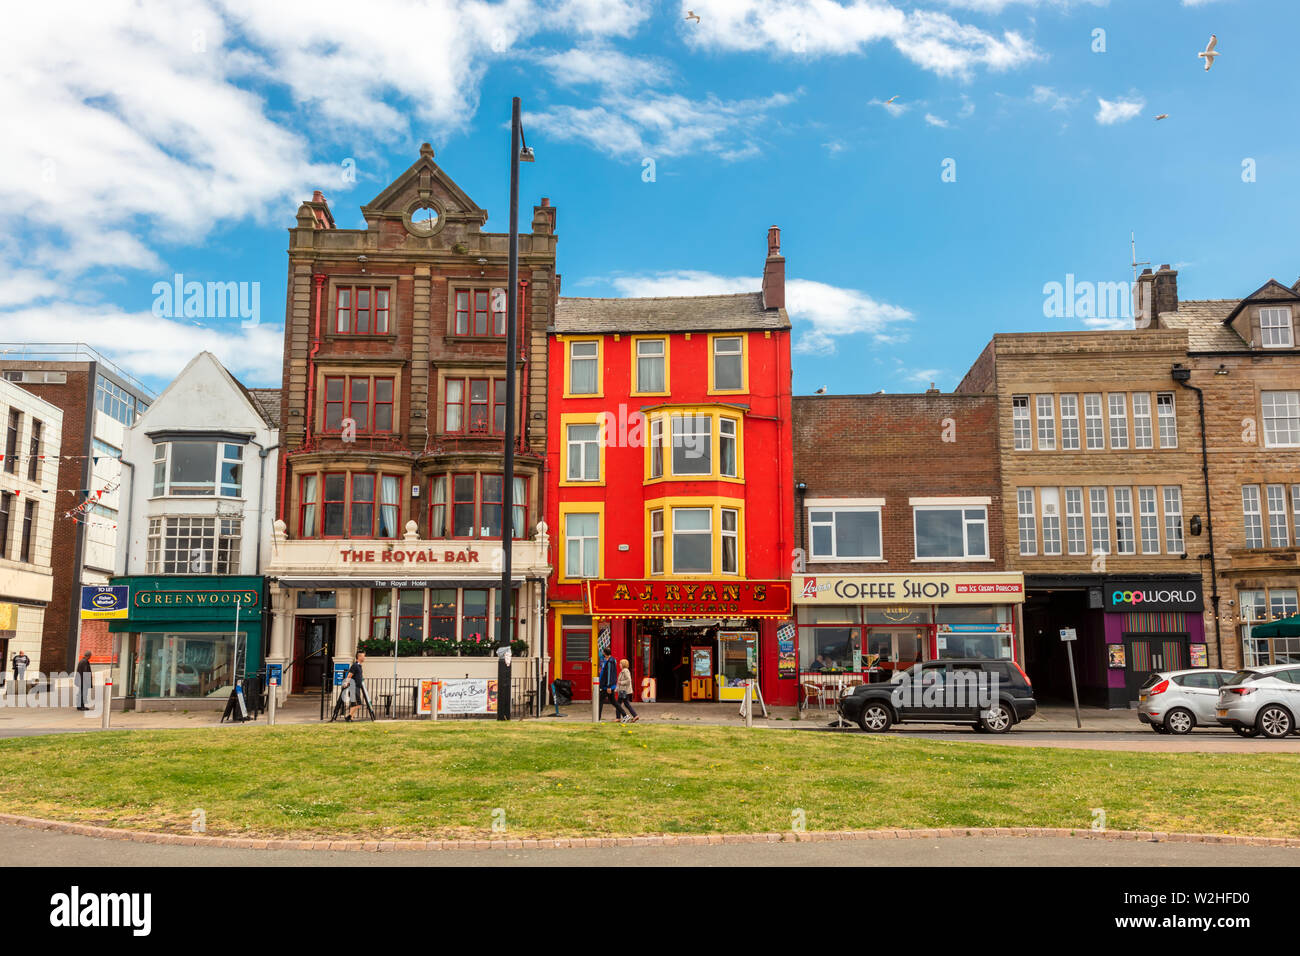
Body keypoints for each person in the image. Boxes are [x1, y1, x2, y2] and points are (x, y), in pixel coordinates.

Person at [597, 650, 623, 721]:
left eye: (603, 652)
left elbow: (609, 675)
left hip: (607, 686)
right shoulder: (609, 660)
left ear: (605, 653)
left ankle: (597, 718)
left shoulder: (610, 662)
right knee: (614, 702)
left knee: (600, 701)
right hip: (607, 685)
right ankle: (625, 715)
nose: (602, 653)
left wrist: (608, 686)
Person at [345, 651, 366, 722]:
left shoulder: (359, 666)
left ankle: (351, 718)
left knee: (353, 704)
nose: (364, 658)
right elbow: (349, 675)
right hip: (353, 687)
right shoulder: (355, 665)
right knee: (358, 703)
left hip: (356, 687)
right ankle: (349, 716)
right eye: (363, 656)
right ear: (359, 657)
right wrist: (346, 682)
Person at [616, 658, 639, 723]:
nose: (619, 665)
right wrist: (617, 689)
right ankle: (635, 715)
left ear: (623, 664)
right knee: (626, 704)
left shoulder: (625, 671)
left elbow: (629, 680)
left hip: (624, 691)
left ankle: (618, 718)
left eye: (620, 663)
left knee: (618, 704)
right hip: (622, 690)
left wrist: (621, 683)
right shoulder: (623, 671)